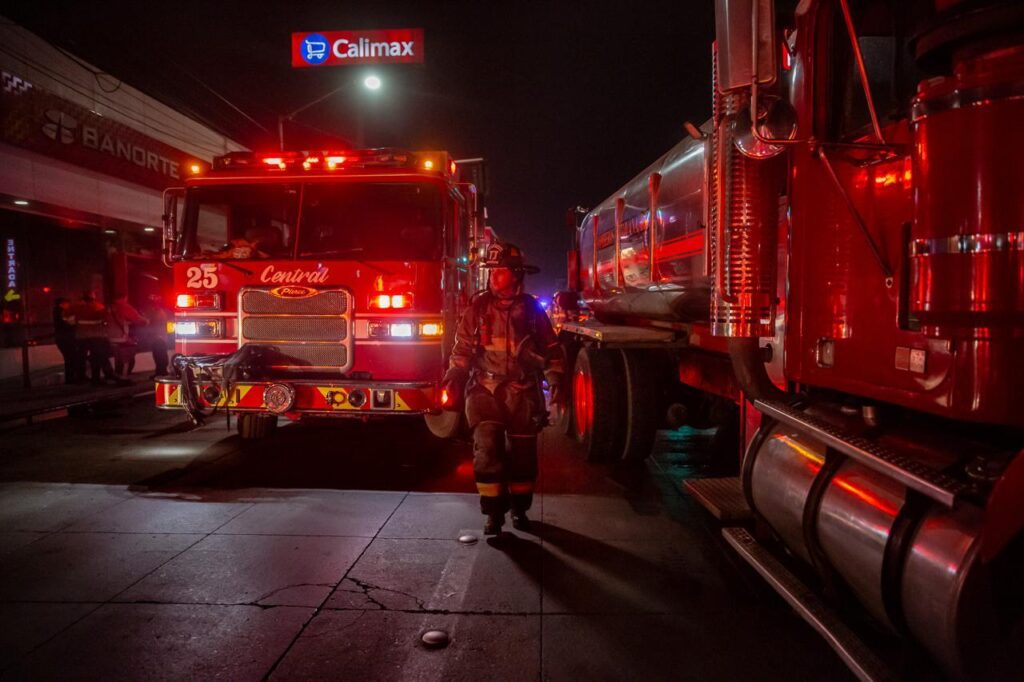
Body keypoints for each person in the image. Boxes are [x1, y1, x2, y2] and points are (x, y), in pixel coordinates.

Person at [442, 243, 565, 536]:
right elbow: (461, 350)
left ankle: (520, 510)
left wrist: (556, 379)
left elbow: (551, 350)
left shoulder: (534, 312)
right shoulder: (478, 308)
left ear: (516, 275)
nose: (493, 277)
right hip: (485, 391)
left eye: (500, 272)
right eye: (491, 272)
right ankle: (493, 514)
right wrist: (454, 377)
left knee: (523, 457)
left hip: (523, 394)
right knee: (487, 451)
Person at [70, 290, 119, 385]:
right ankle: (96, 378)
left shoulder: (76, 307)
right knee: (96, 357)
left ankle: (81, 378)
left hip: (81, 336)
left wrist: (74, 324)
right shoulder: (98, 306)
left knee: (81, 358)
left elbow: (67, 318)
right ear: (93, 297)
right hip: (96, 336)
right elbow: (105, 319)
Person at [108, 292, 147, 376]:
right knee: (127, 359)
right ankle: (124, 378)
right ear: (124, 298)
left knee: (117, 359)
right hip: (122, 337)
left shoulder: (109, 307)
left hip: (111, 337)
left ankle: (117, 376)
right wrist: (147, 321)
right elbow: (137, 319)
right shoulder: (125, 307)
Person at [138, 294, 170, 378]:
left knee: (158, 355)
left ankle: (160, 372)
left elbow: (147, 322)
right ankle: (162, 371)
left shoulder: (154, 311)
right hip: (161, 336)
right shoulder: (162, 311)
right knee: (161, 355)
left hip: (157, 337)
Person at [52, 297, 80, 384]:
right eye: (67, 303)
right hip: (67, 338)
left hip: (61, 338)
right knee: (71, 358)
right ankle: (71, 378)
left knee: (69, 358)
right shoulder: (63, 312)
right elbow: (69, 324)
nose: (68, 305)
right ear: (62, 304)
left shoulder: (56, 312)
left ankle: (70, 378)